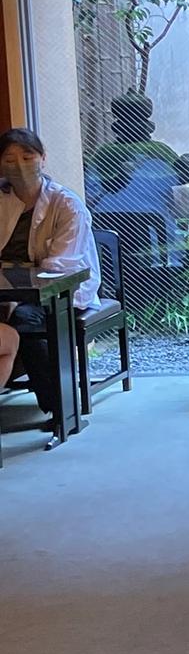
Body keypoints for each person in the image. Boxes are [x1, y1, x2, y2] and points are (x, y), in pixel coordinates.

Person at [0, 126, 101, 429]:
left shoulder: (66, 204)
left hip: (59, 290)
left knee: (27, 321)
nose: (19, 166)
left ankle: (60, 409)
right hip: (8, 290)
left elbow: (62, 264)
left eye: (27, 157)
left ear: (43, 159)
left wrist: (18, 287)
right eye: (9, 159)